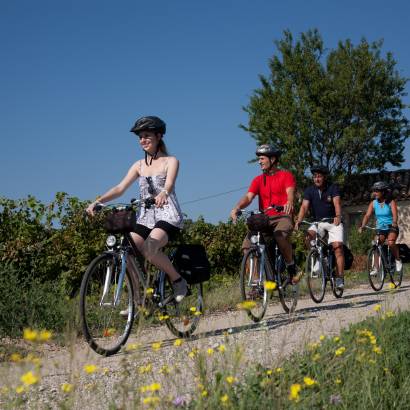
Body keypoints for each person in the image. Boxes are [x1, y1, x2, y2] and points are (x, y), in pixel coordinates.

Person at [86, 115, 187, 302]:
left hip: (168, 215)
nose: (143, 140)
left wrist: (163, 192)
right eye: (140, 137)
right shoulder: (138, 165)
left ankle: (178, 280)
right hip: (146, 217)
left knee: (149, 248)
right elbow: (119, 188)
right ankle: (139, 297)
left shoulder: (171, 161)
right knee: (126, 249)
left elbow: (170, 183)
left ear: (159, 136)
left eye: (147, 135)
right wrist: (99, 201)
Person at [230, 144, 301, 284]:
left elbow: (290, 193)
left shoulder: (286, 176)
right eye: (259, 159)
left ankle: (292, 267)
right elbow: (249, 197)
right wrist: (237, 207)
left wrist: (289, 202)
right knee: (247, 246)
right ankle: (257, 283)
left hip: (282, 216)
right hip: (265, 218)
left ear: (273, 159)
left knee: (279, 235)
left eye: (262, 158)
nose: (259, 162)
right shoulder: (258, 180)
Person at [294, 165, 345, 290]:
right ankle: (316, 257)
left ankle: (339, 278)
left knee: (337, 247)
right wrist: (299, 221)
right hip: (318, 222)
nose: (316, 179)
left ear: (324, 177)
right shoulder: (309, 190)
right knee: (308, 237)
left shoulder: (332, 188)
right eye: (314, 177)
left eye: (319, 176)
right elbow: (304, 207)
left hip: (333, 222)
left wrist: (338, 216)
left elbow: (337, 203)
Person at [359, 181, 402, 274]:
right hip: (381, 228)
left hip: (391, 227)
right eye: (374, 191)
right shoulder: (373, 203)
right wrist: (363, 226)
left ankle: (398, 260)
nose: (375, 193)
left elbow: (395, 214)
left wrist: (394, 222)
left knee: (391, 243)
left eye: (377, 191)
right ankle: (376, 268)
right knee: (376, 244)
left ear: (383, 192)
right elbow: (367, 215)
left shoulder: (391, 202)